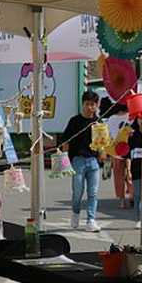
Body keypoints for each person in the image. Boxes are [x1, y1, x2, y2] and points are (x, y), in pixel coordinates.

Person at [60, 90, 106, 232]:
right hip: (77, 160)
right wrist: (64, 159)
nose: (90, 107)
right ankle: (76, 212)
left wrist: (103, 152)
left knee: (93, 192)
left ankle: (91, 220)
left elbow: (103, 141)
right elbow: (65, 140)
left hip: (93, 160)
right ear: (82, 104)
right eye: (87, 104)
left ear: (96, 105)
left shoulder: (98, 122)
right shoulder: (74, 121)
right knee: (78, 192)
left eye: (92, 104)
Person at [105, 103, 132, 209]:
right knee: (131, 173)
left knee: (118, 177)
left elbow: (109, 134)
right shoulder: (131, 116)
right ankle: (131, 195)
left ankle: (121, 201)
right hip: (129, 148)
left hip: (116, 150)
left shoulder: (111, 118)